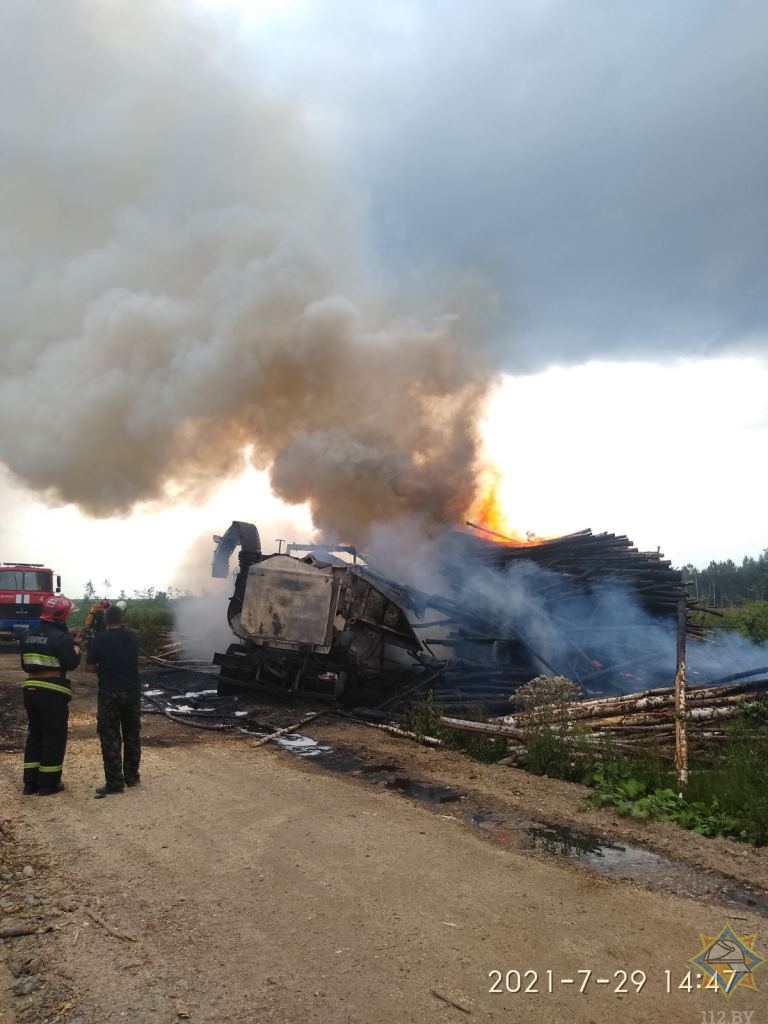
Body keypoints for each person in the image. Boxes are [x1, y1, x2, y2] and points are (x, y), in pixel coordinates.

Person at [21, 595, 81, 796]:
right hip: (52, 691)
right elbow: (71, 663)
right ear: (62, 615)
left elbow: (24, 664)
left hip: (30, 689)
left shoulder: (29, 635)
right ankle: (48, 784)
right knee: (53, 736)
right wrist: (76, 646)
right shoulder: (62, 638)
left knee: (35, 735)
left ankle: (30, 783)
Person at [86, 603, 141, 798]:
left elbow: (90, 668)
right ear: (122, 619)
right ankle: (132, 777)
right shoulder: (133, 636)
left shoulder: (99, 640)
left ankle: (115, 783)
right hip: (132, 692)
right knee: (132, 734)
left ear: (106, 620)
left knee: (110, 738)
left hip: (109, 692)